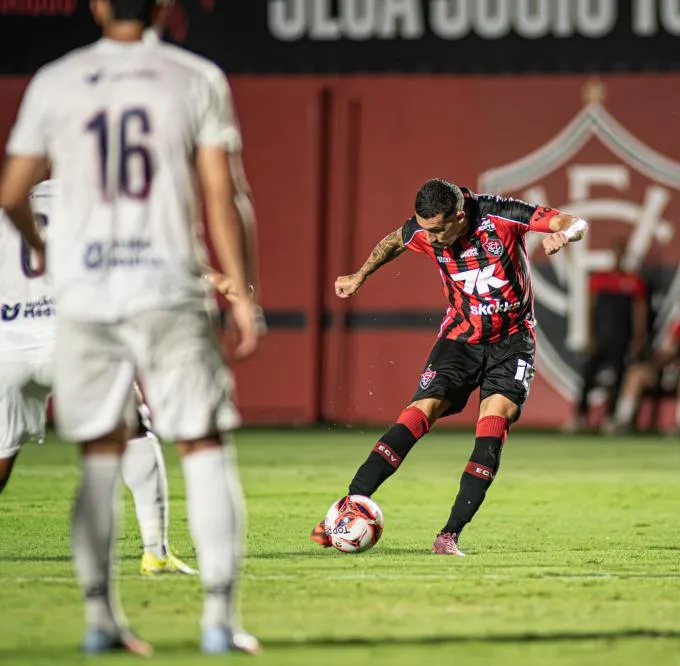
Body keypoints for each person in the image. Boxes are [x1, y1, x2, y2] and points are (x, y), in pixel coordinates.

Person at [0, 0, 261, 655]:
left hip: (85, 296)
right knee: (202, 445)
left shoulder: (56, 80)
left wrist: (54, 253)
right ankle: (218, 621)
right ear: (164, 8)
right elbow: (223, 191)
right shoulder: (193, 75)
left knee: (98, 457)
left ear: (96, 7)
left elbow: (11, 194)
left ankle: (100, 620)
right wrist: (244, 294)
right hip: (165, 286)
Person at [312, 178, 588, 556]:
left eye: (440, 229)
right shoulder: (424, 230)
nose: (434, 239)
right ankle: (346, 508)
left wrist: (566, 236)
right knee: (417, 414)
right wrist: (360, 275)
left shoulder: (502, 215)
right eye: (426, 230)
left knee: (493, 426)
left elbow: (574, 221)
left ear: (460, 216)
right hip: (459, 340)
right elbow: (394, 241)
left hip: (512, 343)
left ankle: (448, 536)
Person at [0, 181, 196, 577]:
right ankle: (155, 552)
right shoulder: (89, 198)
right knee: (135, 429)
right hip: (75, 337)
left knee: (3, 456)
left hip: (8, 345)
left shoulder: (8, 203)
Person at [564, 237, 647, 434]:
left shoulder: (634, 281)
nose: (619, 255)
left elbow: (639, 312)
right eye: (616, 251)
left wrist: (637, 337)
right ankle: (580, 417)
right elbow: (591, 309)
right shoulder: (599, 279)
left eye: (622, 251)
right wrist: (590, 336)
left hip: (622, 339)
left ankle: (611, 418)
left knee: (618, 378)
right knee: (588, 376)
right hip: (601, 337)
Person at [610, 287, 680, 434]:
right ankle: (622, 419)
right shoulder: (678, 326)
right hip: (672, 369)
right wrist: (658, 363)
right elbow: (668, 351)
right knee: (636, 372)